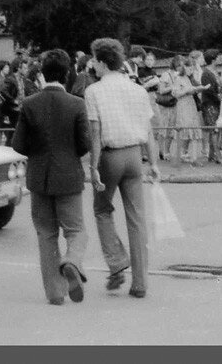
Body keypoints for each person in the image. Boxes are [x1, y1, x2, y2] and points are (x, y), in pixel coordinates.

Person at [12, 49, 91, 306]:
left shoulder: (30, 104)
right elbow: (84, 144)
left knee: (46, 233)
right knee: (76, 230)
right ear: (67, 73)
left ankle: (55, 293)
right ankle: (72, 261)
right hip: (68, 176)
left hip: (39, 177)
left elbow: (18, 144)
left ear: (42, 74)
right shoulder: (77, 104)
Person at [85, 38, 160, 298]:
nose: (92, 64)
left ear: (103, 63)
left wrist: (93, 166)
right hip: (134, 156)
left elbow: (95, 132)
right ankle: (140, 282)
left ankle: (117, 262)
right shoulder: (137, 89)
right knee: (137, 218)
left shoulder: (94, 91)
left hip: (109, 155)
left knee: (102, 209)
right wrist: (153, 162)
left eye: (94, 60)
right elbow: (148, 131)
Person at [165, 57, 203, 165]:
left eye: (193, 69)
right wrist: (187, 90)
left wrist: (199, 89)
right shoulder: (178, 78)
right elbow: (175, 94)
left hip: (191, 105)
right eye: (189, 68)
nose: (191, 70)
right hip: (183, 106)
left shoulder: (189, 79)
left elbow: (193, 90)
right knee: (184, 131)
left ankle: (193, 157)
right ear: (184, 67)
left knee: (193, 131)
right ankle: (180, 154)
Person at [191, 51, 221, 165]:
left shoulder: (212, 72)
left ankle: (212, 154)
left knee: (214, 129)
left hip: (215, 103)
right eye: (217, 58)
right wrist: (218, 98)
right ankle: (217, 155)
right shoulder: (206, 73)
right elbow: (208, 90)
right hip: (209, 104)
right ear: (213, 60)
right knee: (214, 130)